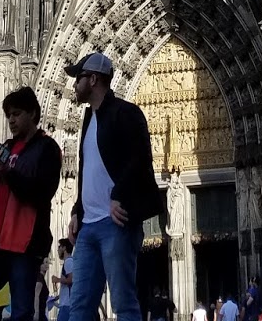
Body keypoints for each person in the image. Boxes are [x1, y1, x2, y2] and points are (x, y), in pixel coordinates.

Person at [65, 51, 163, 321]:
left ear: (93, 79)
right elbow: (88, 172)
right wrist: (76, 210)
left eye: (79, 78)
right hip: (88, 228)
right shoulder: (88, 121)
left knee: (123, 303)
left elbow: (141, 157)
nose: (74, 84)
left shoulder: (126, 113)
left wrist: (118, 195)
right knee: (80, 308)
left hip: (115, 223)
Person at [0, 85, 62, 321]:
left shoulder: (47, 148)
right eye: (9, 115)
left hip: (24, 245)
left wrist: (7, 172)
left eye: (17, 113)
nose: (11, 120)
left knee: (21, 312)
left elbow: (43, 193)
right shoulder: (5, 148)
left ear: (33, 114)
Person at [56, 244, 73, 321]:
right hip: (65, 303)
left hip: (67, 304)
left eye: (59, 247)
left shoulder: (68, 261)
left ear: (64, 247)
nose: (57, 250)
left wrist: (57, 279)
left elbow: (71, 279)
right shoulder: (68, 261)